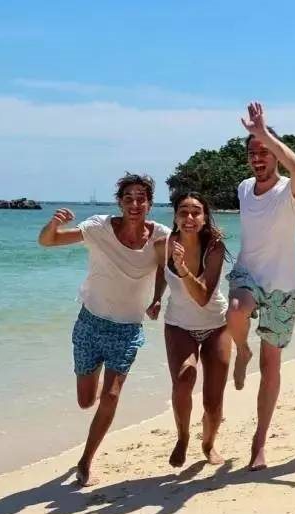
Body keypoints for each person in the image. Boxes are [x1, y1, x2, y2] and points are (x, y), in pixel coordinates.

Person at [38, 173, 170, 486]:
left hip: (127, 328)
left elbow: (164, 268)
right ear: (120, 203)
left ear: (150, 204)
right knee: (86, 401)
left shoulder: (160, 235)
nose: (135, 204)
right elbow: (48, 241)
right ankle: (96, 381)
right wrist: (54, 224)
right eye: (128, 198)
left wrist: (157, 299)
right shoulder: (99, 227)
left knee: (111, 395)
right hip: (90, 323)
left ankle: (86, 461)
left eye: (141, 198)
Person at [225, 102, 295, 470]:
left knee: (271, 365)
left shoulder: (292, 191)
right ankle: (242, 350)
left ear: (275, 154)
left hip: (281, 288)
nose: (258, 158)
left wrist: (264, 134)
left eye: (264, 152)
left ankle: (259, 443)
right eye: (252, 153)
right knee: (235, 310)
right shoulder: (244, 188)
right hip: (247, 276)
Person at [148, 192, 230, 468]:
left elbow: (203, 296)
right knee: (184, 380)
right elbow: (162, 271)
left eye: (196, 212)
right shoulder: (163, 245)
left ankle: (208, 443)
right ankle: (183, 436)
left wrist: (182, 268)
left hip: (216, 324)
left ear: (204, 218)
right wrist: (157, 297)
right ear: (175, 217)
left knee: (213, 401)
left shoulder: (214, 247)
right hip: (179, 325)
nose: (189, 217)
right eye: (183, 212)